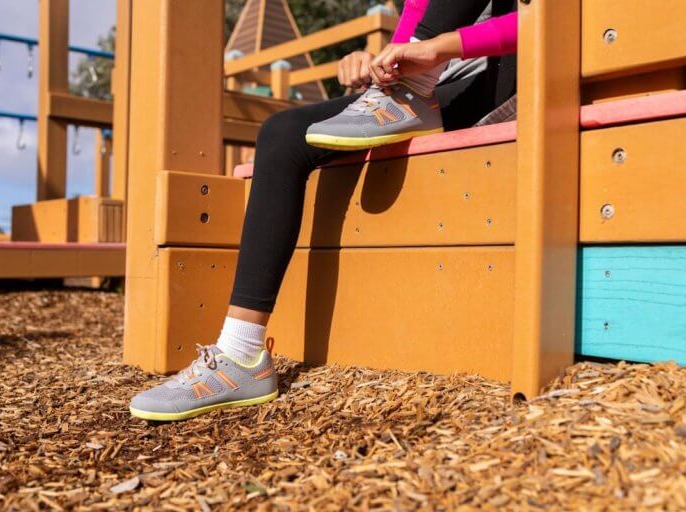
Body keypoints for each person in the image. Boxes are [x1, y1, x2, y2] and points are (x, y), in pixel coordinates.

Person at [129, 0, 519, 421]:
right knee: (280, 135)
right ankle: (240, 354)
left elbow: (555, 22)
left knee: (420, 79)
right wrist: (384, 66)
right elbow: (417, 21)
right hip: (436, 88)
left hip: (514, 72)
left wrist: (441, 48)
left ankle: (408, 94)